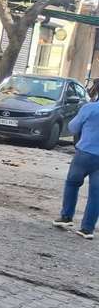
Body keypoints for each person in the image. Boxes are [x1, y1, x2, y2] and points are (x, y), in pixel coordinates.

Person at [54, 98, 99, 239]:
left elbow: (73, 127)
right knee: (96, 194)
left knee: (72, 184)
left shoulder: (90, 108)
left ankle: (66, 217)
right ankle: (87, 229)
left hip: (84, 154)